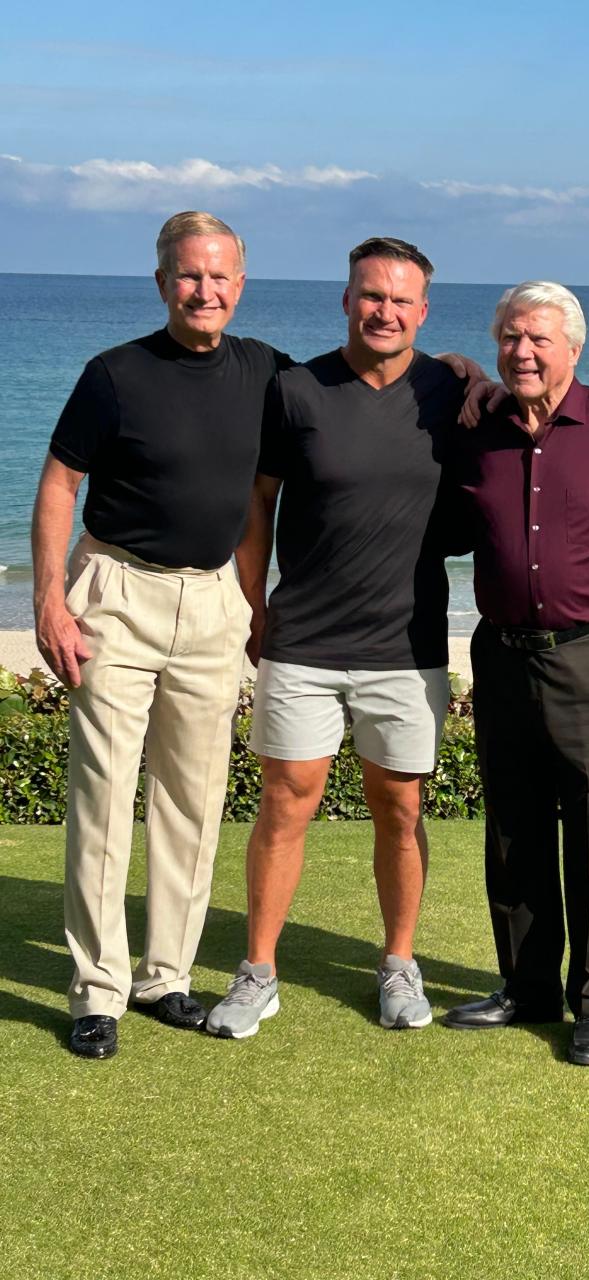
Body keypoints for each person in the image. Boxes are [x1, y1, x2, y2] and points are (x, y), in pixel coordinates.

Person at [32, 211, 290, 1059]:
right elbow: (61, 483)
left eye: (220, 277)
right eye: (188, 276)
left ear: (241, 286)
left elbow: (357, 383)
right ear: (161, 282)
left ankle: (165, 978)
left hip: (214, 601)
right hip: (116, 595)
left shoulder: (264, 371)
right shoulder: (113, 374)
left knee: (193, 797)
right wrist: (50, 601)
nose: (204, 291)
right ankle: (97, 991)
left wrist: (459, 375)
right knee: (104, 798)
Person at [205, 237, 468, 1039]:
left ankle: (398, 964)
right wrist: (254, 603)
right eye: (370, 295)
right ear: (346, 299)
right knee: (285, 806)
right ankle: (258, 972)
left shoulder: (451, 394)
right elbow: (259, 501)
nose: (383, 311)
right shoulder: (295, 390)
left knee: (400, 808)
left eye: (400, 299)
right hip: (304, 640)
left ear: (423, 311)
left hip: (407, 642)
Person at [441, 282, 589, 1066]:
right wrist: (460, 371)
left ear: (575, 348)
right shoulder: (477, 432)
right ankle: (527, 987)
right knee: (513, 831)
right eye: (511, 338)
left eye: (540, 339)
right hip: (504, 656)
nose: (524, 352)